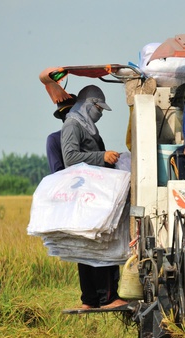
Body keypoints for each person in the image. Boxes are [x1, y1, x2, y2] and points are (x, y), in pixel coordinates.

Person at [61, 85, 126, 310]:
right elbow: (70, 158)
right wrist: (102, 156)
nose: (100, 113)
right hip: (85, 194)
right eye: (99, 108)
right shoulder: (73, 125)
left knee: (89, 245)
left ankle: (90, 299)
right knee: (100, 245)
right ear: (90, 104)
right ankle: (106, 298)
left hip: (91, 192)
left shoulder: (85, 126)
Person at [46, 94, 76, 173]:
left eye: (71, 111)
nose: (68, 115)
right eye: (64, 113)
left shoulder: (92, 136)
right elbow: (57, 174)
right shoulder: (55, 139)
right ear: (61, 116)